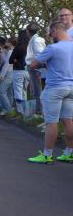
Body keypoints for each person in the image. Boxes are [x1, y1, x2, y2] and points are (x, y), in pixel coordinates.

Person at [27, 22, 73, 164]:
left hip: (55, 88)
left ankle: (47, 155)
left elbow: (33, 64)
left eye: (50, 32)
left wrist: (47, 63)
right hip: (71, 87)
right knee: (68, 120)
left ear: (56, 31)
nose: (49, 35)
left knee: (51, 122)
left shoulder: (52, 48)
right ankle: (69, 153)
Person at [11, 29, 30, 116]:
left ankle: (20, 111)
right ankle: (26, 111)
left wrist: (16, 60)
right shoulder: (30, 46)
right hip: (28, 71)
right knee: (24, 91)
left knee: (18, 92)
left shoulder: (18, 47)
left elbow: (10, 60)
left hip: (18, 71)